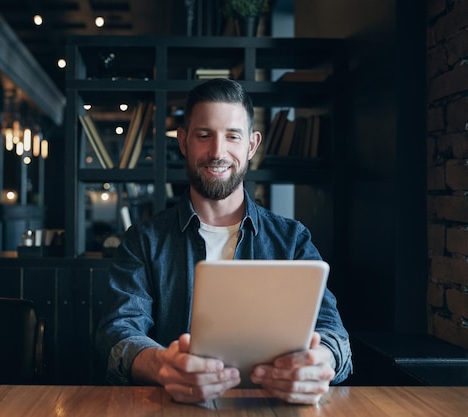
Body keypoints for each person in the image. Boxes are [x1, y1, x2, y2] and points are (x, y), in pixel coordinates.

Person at [95, 78, 352, 405]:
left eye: (232, 136)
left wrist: (321, 364)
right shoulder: (143, 241)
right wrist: (163, 366)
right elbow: (118, 335)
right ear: (184, 142)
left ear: (251, 145)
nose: (218, 152)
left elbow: (336, 337)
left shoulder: (292, 240)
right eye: (204, 136)